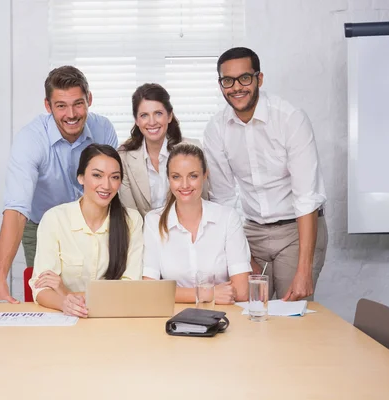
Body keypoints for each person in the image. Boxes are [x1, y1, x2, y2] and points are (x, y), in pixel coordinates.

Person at [0, 66, 118, 306]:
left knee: (98, 293)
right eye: (61, 106)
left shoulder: (103, 129)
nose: (71, 114)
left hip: (95, 221)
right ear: (48, 106)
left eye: (78, 104)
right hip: (41, 224)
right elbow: (16, 210)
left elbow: (112, 185)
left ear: (89, 100)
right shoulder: (31, 140)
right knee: (48, 296)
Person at [203, 47, 328, 301]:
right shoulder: (216, 129)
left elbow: (306, 197)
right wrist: (245, 256)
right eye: (228, 80)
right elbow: (224, 201)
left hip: (295, 228)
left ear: (259, 79)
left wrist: (304, 269)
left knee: (290, 318)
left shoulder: (290, 119)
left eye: (245, 78)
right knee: (247, 312)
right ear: (220, 85)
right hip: (252, 232)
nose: (236, 87)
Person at [29, 144, 143, 317]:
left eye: (114, 177)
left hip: (114, 320)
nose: (106, 185)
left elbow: (130, 288)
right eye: (97, 175)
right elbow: (42, 289)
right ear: (81, 177)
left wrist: (64, 291)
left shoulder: (131, 221)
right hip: (65, 320)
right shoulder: (55, 219)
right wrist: (64, 303)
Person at [142, 143, 250, 304]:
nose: (185, 185)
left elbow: (241, 291)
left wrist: (174, 293)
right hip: (174, 318)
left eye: (193, 176)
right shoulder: (154, 221)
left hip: (222, 316)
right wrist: (207, 294)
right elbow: (149, 290)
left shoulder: (227, 218)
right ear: (169, 179)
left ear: (205, 175)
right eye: (176, 177)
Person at [118, 83, 207, 217]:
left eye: (158, 113)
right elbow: (131, 216)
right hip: (144, 234)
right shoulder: (124, 157)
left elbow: (203, 202)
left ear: (169, 116)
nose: (152, 122)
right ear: (136, 120)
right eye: (144, 115)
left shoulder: (193, 149)